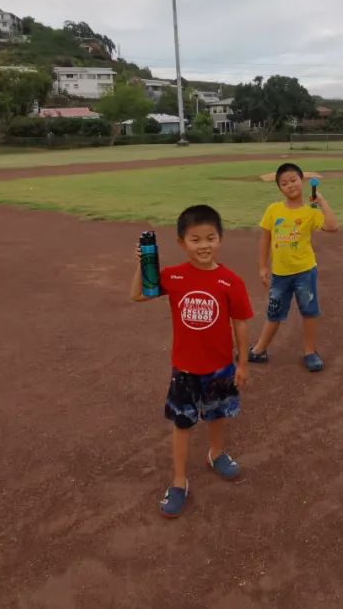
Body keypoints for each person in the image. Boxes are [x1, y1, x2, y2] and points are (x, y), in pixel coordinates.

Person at [130, 204, 254, 518]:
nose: (204, 245)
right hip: (185, 369)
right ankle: (179, 480)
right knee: (182, 424)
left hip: (220, 367)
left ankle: (216, 453)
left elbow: (240, 322)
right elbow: (139, 295)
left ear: (220, 239)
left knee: (216, 415)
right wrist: (142, 263)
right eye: (195, 239)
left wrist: (242, 363)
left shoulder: (231, 281)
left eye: (210, 238)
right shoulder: (173, 276)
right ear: (182, 243)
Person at [248, 162, 338, 372]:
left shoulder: (310, 212)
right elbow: (265, 239)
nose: (290, 185)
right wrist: (262, 266)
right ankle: (259, 350)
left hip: (305, 272)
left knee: (309, 311)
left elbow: (333, 226)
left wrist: (321, 201)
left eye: (293, 180)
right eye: (284, 183)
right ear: (280, 188)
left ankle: (309, 352)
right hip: (280, 274)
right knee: (274, 312)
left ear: (302, 181)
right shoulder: (274, 210)